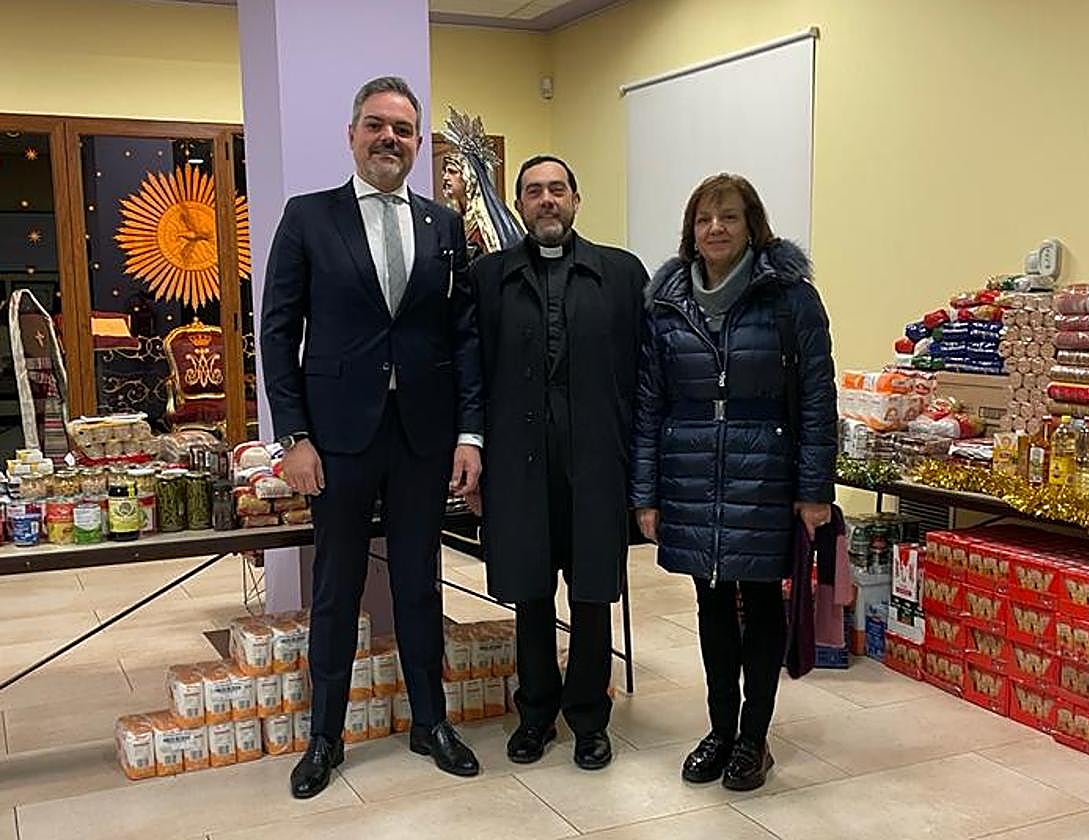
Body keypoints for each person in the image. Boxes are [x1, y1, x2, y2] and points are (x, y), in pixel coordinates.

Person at [260, 76, 484, 799]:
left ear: (418, 143)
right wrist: (293, 437)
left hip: (422, 435)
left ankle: (430, 722)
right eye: (377, 125)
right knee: (337, 587)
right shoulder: (308, 217)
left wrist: (469, 435)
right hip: (337, 438)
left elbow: (463, 335)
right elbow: (276, 332)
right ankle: (324, 736)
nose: (390, 138)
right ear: (352, 135)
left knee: (421, 581)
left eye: (404, 129)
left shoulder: (443, 226)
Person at [631, 173, 836, 792]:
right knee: (712, 604)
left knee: (763, 603)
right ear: (690, 231)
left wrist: (814, 490)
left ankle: (754, 737)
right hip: (690, 471)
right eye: (704, 219)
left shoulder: (791, 300)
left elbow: (817, 398)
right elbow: (649, 403)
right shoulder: (666, 304)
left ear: (752, 226)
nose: (715, 229)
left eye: (728, 217)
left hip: (765, 472)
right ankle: (720, 730)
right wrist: (646, 494)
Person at [466, 155, 647, 770]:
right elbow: (472, 373)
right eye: (534, 191)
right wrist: (473, 453)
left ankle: (590, 717)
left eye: (557, 189)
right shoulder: (488, 278)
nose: (547, 200)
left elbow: (643, 375)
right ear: (519, 205)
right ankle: (536, 713)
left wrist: (640, 469)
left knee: (593, 594)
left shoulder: (620, 274)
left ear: (576, 199)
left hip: (596, 462)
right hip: (518, 464)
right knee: (531, 591)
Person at [439, 107, 523, 263]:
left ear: (469, 178)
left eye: (452, 172)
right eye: (444, 172)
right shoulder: (455, 218)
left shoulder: (485, 224)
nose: (445, 177)